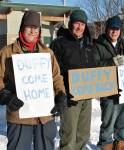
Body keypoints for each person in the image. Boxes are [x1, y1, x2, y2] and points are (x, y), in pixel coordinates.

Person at [0, 10, 67, 150]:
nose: (32, 31)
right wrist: (5, 95)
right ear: (22, 28)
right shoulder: (7, 52)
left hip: (45, 115)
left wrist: (61, 95)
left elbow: (56, 77)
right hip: (19, 115)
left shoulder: (47, 53)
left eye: (36, 27)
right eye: (29, 27)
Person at [50, 9, 97, 150]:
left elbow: (95, 68)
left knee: (83, 134)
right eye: (77, 23)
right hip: (69, 96)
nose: (79, 27)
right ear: (71, 24)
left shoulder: (89, 45)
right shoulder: (59, 43)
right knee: (69, 135)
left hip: (86, 96)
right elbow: (53, 72)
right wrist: (62, 93)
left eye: (82, 24)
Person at [95, 16, 124, 150]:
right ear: (107, 29)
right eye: (112, 29)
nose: (115, 32)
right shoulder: (98, 44)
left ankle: (120, 143)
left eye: (117, 29)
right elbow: (94, 65)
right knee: (108, 121)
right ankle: (105, 145)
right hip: (107, 88)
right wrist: (112, 62)